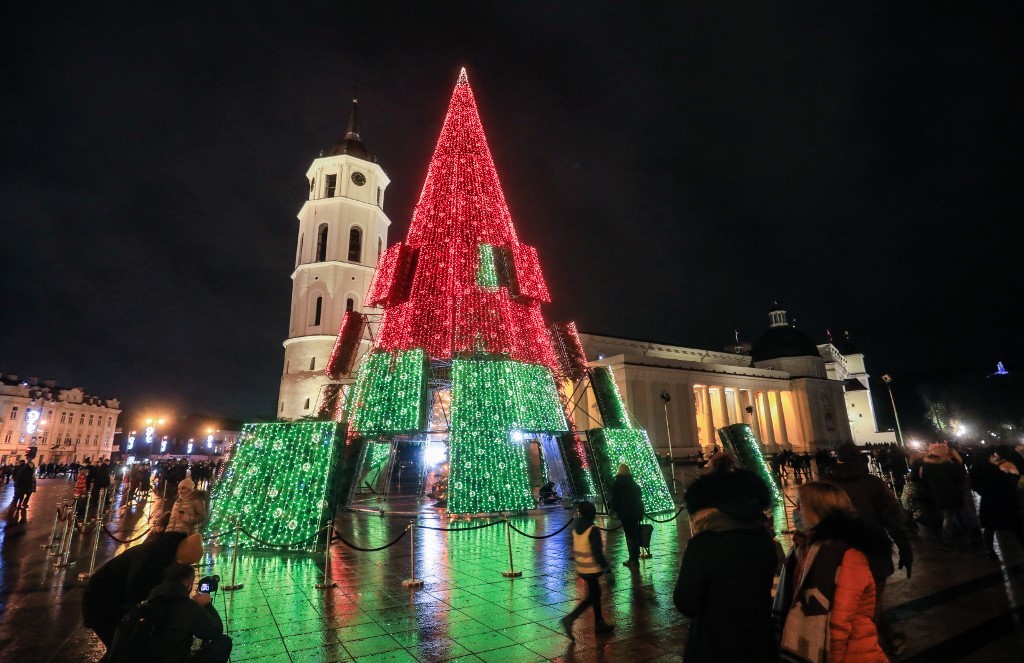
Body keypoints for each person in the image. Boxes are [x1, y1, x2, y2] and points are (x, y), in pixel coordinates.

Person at [775, 482, 890, 663]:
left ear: (817, 511)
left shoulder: (841, 555)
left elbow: (837, 624)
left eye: (800, 506)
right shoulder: (808, 546)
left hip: (850, 653)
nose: (795, 511)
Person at [674, 467, 779, 662]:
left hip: (714, 645)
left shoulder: (703, 545)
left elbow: (686, 602)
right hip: (759, 641)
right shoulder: (763, 539)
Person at [826, 442, 913, 654]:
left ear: (838, 458)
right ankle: (866, 651)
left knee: (857, 603)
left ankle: (886, 637)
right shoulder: (873, 483)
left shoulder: (826, 484)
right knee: (870, 604)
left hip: (838, 553)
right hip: (873, 550)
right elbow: (893, 519)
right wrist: (905, 549)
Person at [81, 531, 202, 650]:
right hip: (102, 602)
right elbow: (133, 590)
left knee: (123, 649)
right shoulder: (152, 555)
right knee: (122, 649)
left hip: (113, 601)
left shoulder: (164, 550)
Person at [108, 563, 232, 662]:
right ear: (189, 584)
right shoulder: (187, 607)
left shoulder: (145, 605)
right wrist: (207, 605)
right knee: (224, 642)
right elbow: (215, 632)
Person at [561, 501, 614, 639]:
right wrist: (607, 569)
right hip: (591, 567)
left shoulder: (576, 526)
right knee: (593, 595)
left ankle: (599, 622)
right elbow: (597, 553)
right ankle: (570, 619)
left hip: (582, 566)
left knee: (595, 594)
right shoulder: (592, 529)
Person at [971, 448, 1024, 558]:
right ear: (988, 457)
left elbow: (975, 486)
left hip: (988, 502)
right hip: (1003, 502)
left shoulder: (976, 470)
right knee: (1016, 525)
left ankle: (989, 550)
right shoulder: (993, 471)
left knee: (990, 527)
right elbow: (1006, 486)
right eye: (992, 456)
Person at [919, 442, 971, 545]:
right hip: (951, 493)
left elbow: (924, 481)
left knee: (950, 516)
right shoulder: (946, 464)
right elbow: (959, 477)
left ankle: (962, 535)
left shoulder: (925, 465)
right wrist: (958, 461)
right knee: (951, 517)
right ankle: (949, 539)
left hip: (937, 494)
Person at [609, 464, 644, 567]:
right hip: (635, 513)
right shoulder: (633, 483)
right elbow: (639, 496)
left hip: (625, 513)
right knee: (635, 534)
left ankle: (633, 559)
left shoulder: (617, 484)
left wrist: (615, 510)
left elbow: (615, 500)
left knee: (629, 535)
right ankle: (636, 556)